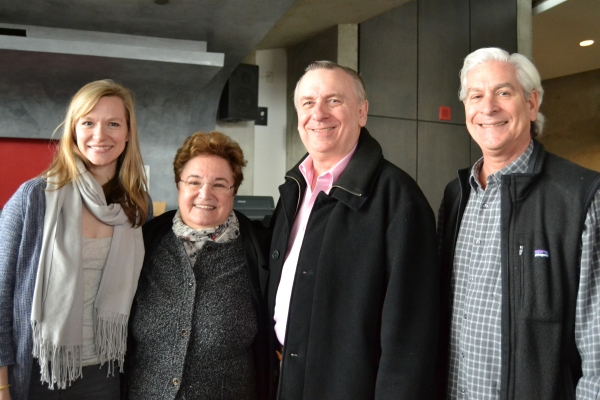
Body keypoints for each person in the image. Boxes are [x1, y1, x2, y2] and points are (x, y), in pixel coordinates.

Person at [268, 61, 439, 399]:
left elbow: (410, 338)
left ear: (362, 112)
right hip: (287, 381)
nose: (318, 113)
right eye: (307, 103)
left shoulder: (399, 200)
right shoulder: (294, 189)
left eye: (334, 101)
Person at [437, 47, 600, 399]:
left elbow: (598, 350)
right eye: (476, 96)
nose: (488, 107)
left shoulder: (580, 197)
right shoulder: (456, 196)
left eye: (504, 92)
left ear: (531, 103)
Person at [0, 79, 151, 400]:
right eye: (88, 123)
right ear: (73, 131)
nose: (100, 135)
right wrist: (1, 385)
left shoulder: (136, 206)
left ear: (127, 133)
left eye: (113, 123)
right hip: (38, 371)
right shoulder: (34, 198)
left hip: (104, 372)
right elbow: (0, 295)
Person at [126, 131, 269, 399]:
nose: (205, 194)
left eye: (219, 184)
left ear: (233, 190)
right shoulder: (145, 242)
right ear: (179, 186)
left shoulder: (260, 251)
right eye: (194, 182)